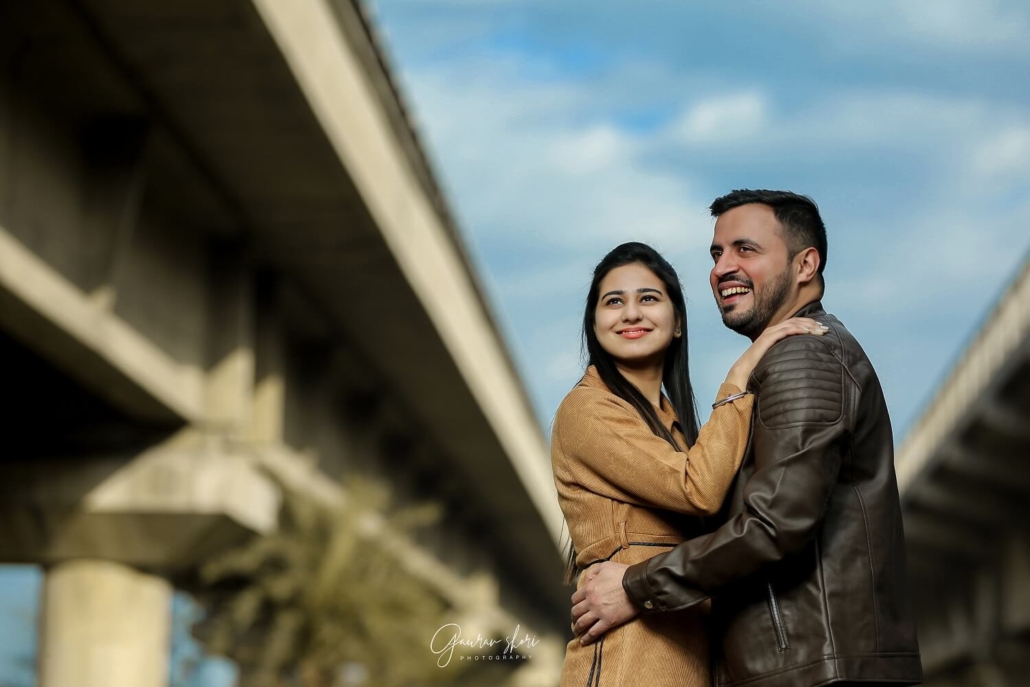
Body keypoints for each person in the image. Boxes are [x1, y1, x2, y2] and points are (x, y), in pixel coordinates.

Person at [571, 191, 923, 687]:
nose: (722, 268)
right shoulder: (783, 360)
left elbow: (773, 524)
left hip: (814, 669)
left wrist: (634, 585)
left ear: (805, 265)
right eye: (717, 254)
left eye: (746, 250)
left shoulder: (802, 357)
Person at [553, 241, 827, 687]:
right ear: (594, 323)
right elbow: (697, 489)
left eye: (648, 298)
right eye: (613, 302)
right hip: (629, 662)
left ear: (678, 321)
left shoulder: (673, 427)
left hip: (685, 657)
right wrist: (740, 377)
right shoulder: (588, 409)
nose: (631, 313)